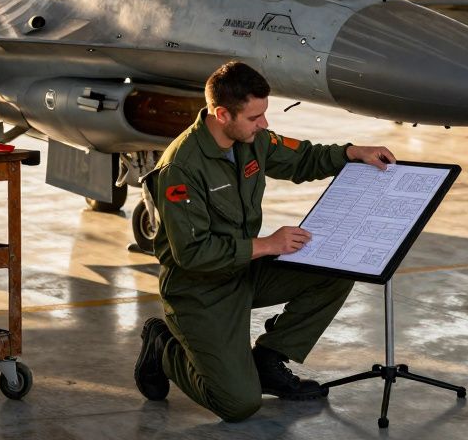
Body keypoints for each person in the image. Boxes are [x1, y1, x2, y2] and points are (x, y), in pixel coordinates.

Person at [133, 61, 396, 422]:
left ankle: (268, 359)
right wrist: (268, 245)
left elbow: (302, 158)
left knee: (336, 270)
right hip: (199, 289)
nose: (265, 124)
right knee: (238, 404)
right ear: (222, 114)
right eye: (255, 117)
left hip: (245, 270)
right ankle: (164, 346)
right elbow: (193, 255)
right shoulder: (182, 167)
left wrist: (353, 152)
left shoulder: (253, 140)